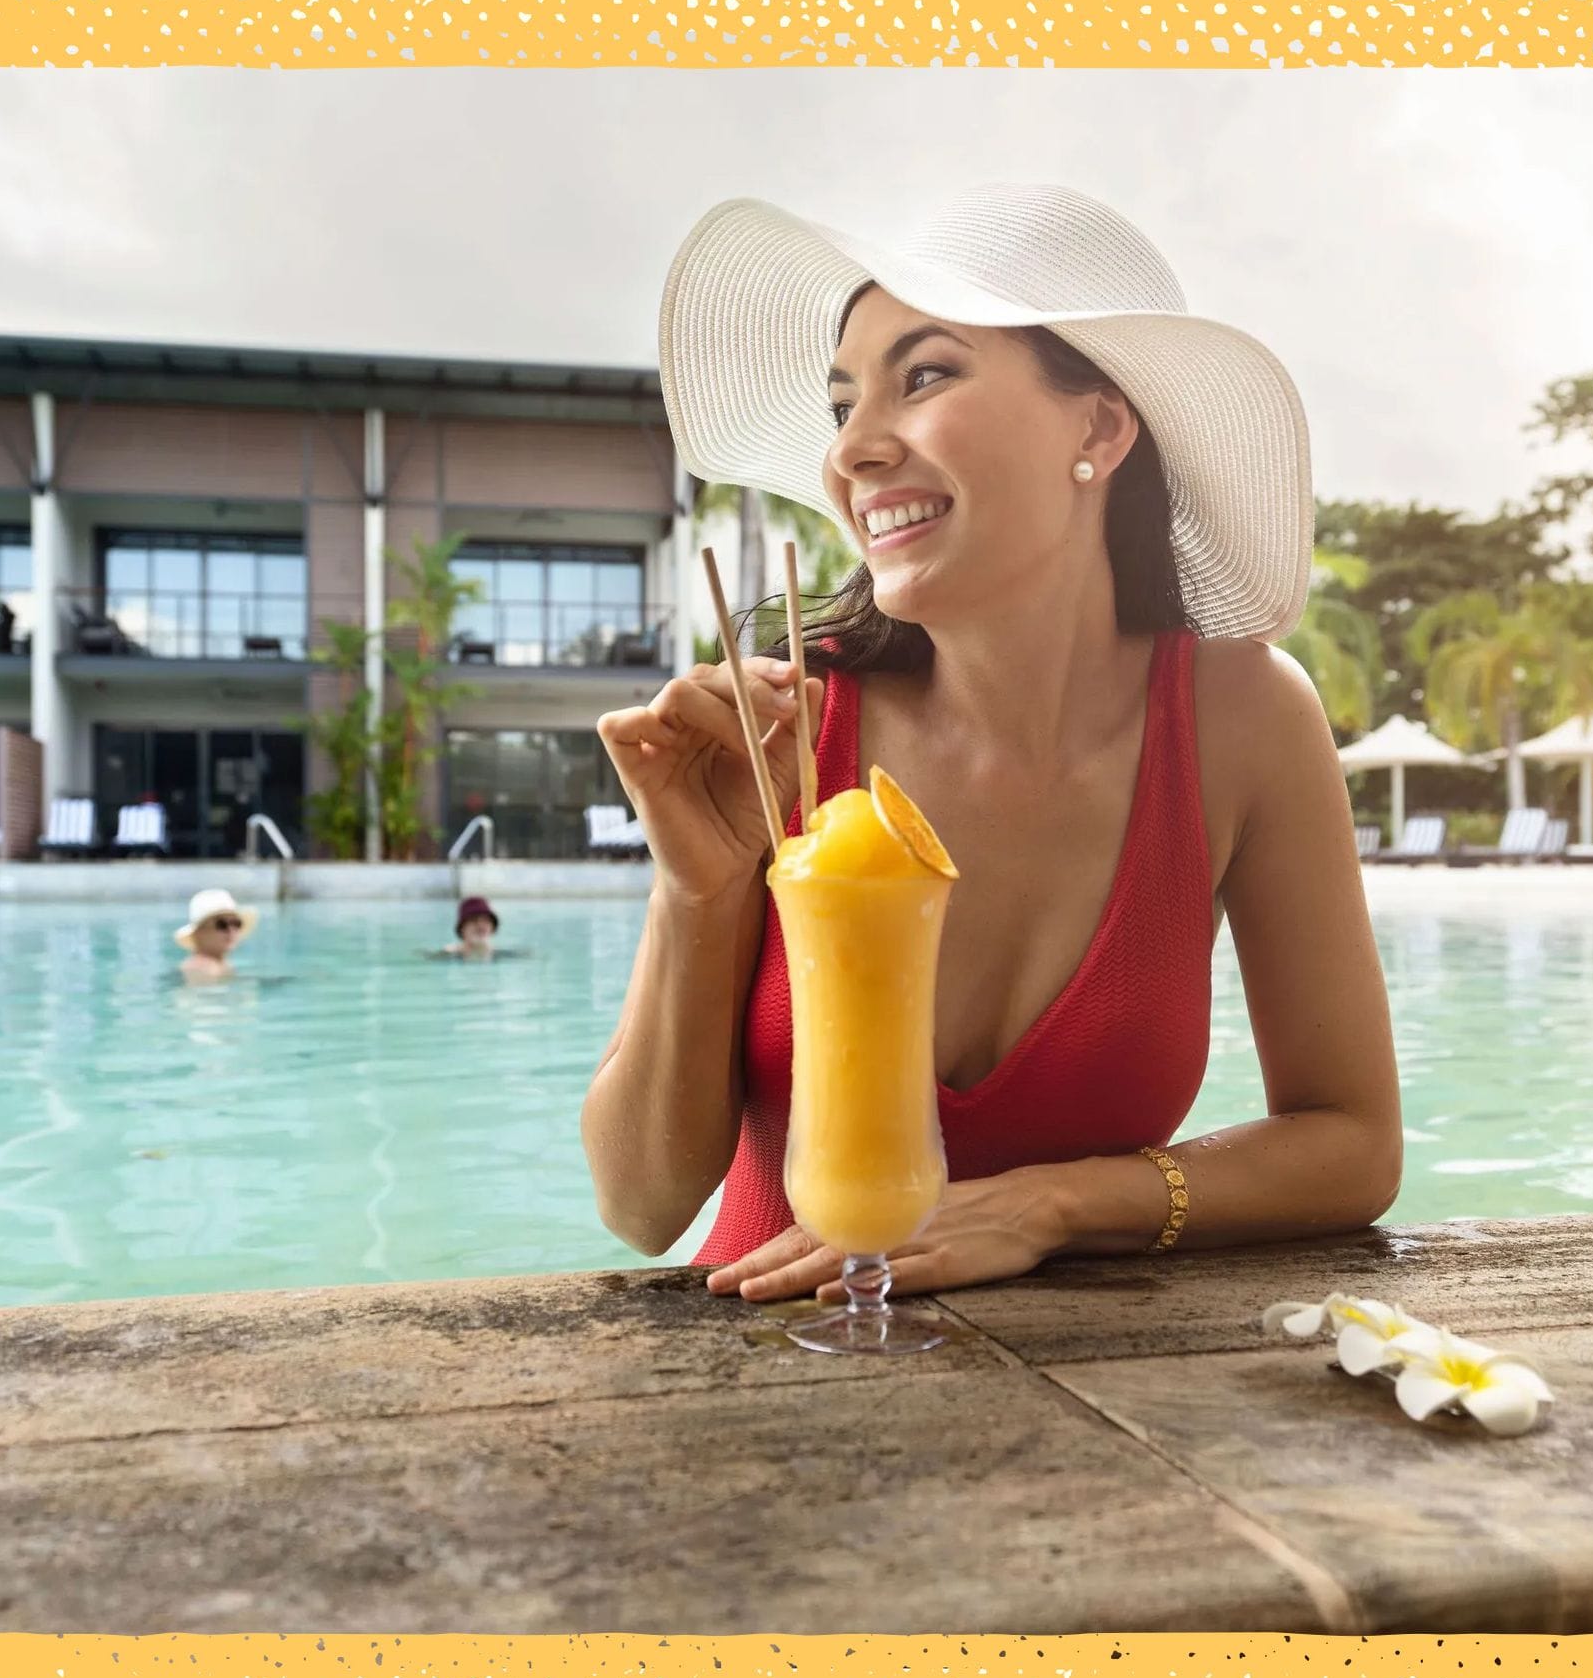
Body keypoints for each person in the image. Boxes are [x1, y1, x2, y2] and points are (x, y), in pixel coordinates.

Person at [583, 184, 1402, 1307]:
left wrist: (1048, 1205)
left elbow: (1352, 1144)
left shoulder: (1242, 721)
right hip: (766, 1391)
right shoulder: (786, 728)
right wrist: (700, 891)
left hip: (1108, 1418)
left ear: (1099, 428)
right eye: (841, 407)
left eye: (924, 376)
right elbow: (640, 1208)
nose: (853, 453)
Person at [175, 887, 258, 983]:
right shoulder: (203, 969)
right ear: (199, 933)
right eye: (222, 924)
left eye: (236, 923)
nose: (231, 930)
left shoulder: (218, 964)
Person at [434, 897, 504, 960]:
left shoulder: (503, 956)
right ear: (462, 928)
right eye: (474, 920)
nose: (481, 926)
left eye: (486, 921)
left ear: (492, 928)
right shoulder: (445, 957)